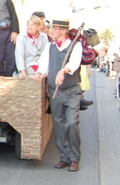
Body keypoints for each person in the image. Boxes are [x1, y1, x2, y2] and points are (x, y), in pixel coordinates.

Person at [32, 18, 82, 172]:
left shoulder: (75, 45)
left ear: (63, 31)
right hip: (55, 91)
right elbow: (44, 63)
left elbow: (74, 63)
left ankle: (74, 158)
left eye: (55, 28)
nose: (52, 30)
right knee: (58, 124)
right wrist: (40, 73)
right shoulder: (50, 46)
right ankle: (64, 157)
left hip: (72, 89)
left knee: (71, 123)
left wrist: (63, 71)